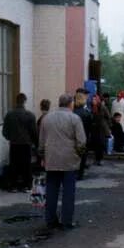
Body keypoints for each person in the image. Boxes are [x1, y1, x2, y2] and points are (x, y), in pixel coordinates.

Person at [39, 93, 86, 230]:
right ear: (71, 103)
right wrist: (78, 154)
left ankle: (50, 220)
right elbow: (81, 141)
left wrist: (42, 157)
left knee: (51, 191)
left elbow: (41, 141)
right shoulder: (75, 118)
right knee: (68, 193)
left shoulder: (46, 118)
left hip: (51, 160)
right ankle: (66, 221)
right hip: (69, 161)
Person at [2, 93, 38, 192]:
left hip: (14, 144)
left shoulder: (9, 114)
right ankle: (26, 185)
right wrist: (34, 142)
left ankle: (13, 185)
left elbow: (4, 132)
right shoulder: (30, 115)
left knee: (14, 164)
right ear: (25, 101)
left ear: (16, 101)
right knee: (26, 165)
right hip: (26, 144)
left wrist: (11, 138)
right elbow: (34, 132)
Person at [73, 92, 93, 180]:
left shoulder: (72, 112)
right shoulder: (87, 113)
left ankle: (73, 173)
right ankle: (80, 174)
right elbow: (90, 127)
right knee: (82, 156)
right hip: (84, 136)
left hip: (73, 138)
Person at [90, 94, 111, 165]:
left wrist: (106, 125)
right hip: (94, 128)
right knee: (95, 144)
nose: (93, 101)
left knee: (101, 144)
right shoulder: (92, 107)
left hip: (101, 128)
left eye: (94, 99)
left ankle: (100, 159)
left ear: (97, 100)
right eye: (92, 99)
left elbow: (108, 117)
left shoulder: (102, 107)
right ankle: (96, 159)